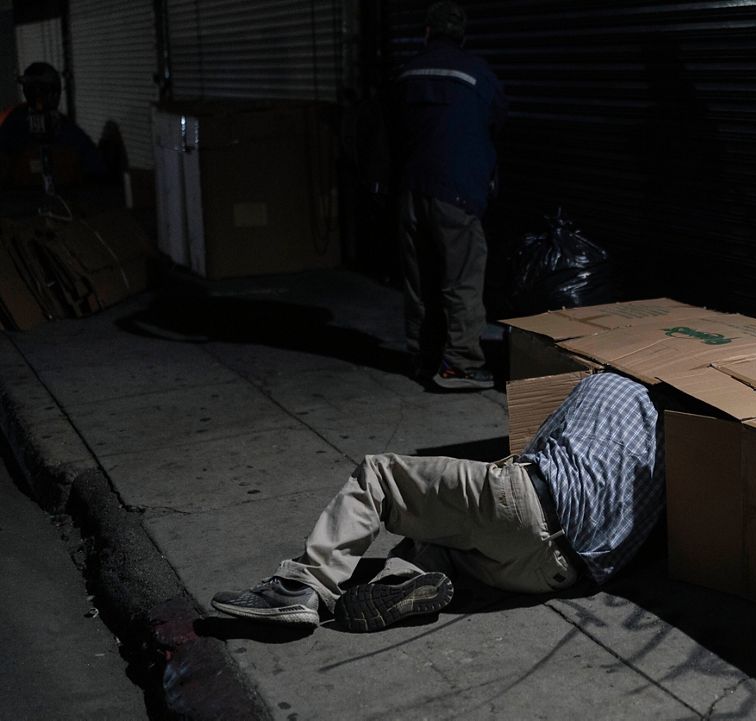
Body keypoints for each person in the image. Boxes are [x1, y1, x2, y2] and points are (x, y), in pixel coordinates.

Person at [211, 372, 665, 631]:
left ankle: (302, 588)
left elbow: (532, 452)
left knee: (379, 474)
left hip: (530, 504)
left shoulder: (605, 383)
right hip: (556, 573)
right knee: (446, 540)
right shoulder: (673, 450)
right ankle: (404, 579)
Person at [396, 1, 507, 391]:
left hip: (413, 191)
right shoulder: (477, 73)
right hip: (456, 193)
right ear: (462, 35)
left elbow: (388, 131)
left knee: (421, 281)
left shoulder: (406, 72)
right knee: (461, 280)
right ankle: (459, 364)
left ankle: (422, 358)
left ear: (426, 32)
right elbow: (499, 125)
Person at [0, 62, 105, 191]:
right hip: (21, 201)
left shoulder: (65, 127)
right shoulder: (14, 122)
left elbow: (94, 166)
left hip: (64, 201)